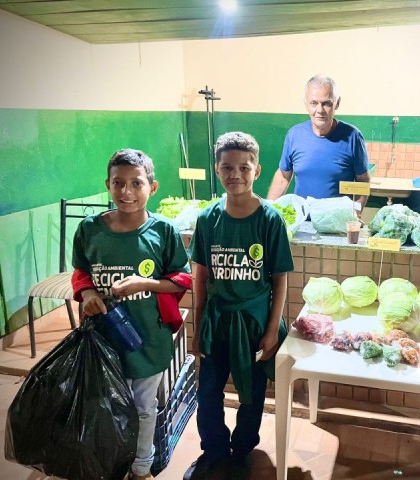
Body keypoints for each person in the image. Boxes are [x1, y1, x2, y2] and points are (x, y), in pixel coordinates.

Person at [71, 148, 192, 480]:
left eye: (136, 183)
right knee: (104, 405)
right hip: (103, 340)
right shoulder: (89, 230)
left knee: (143, 408)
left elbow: (182, 279)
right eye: (118, 183)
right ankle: (110, 462)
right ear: (107, 185)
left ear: (152, 187)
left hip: (148, 339)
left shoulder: (163, 232)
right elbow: (80, 271)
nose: (126, 192)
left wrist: (148, 283)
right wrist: (88, 293)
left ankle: (141, 467)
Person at [184, 132, 294, 480]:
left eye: (243, 168)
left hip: (254, 322)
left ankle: (243, 448)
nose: (236, 174)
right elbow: (200, 276)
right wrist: (198, 325)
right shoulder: (208, 219)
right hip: (217, 321)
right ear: (217, 170)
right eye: (227, 167)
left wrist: (271, 331)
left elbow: (279, 278)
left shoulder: (270, 220)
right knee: (209, 391)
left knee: (252, 393)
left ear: (257, 170)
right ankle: (213, 450)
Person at [267, 74, 371, 210]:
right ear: (306, 104)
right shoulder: (294, 135)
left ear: (337, 103)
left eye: (326, 103)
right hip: (301, 221)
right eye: (314, 103)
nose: (320, 110)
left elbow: (363, 181)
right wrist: (268, 209)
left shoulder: (353, 137)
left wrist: (356, 212)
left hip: (336, 225)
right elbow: (283, 176)